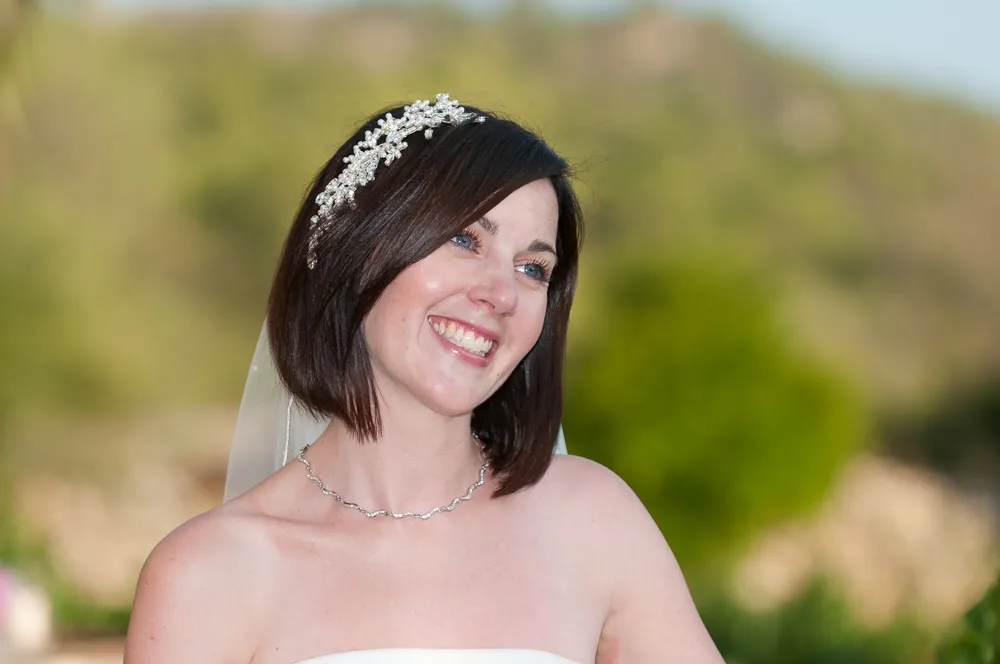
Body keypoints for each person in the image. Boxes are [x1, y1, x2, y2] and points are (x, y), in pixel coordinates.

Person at [124, 94, 724, 664]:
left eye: (533, 268)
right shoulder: (209, 572)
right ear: (358, 249)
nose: (501, 293)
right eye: (465, 239)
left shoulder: (591, 520)